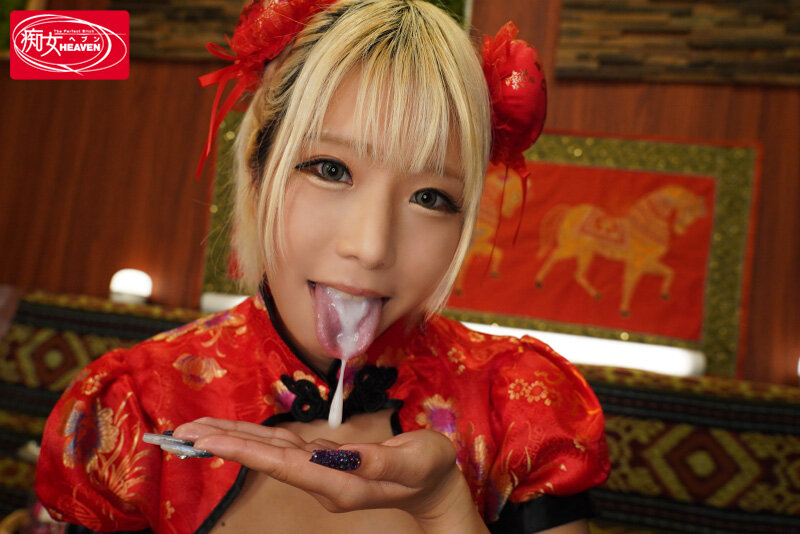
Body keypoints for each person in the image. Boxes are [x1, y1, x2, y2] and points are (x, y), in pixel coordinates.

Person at [34, 1, 609, 532]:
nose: (371, 247)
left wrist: (445, 508)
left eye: (431, 197)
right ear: (258, 170)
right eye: (331, 169)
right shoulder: (136, 407)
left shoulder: (519, 407)